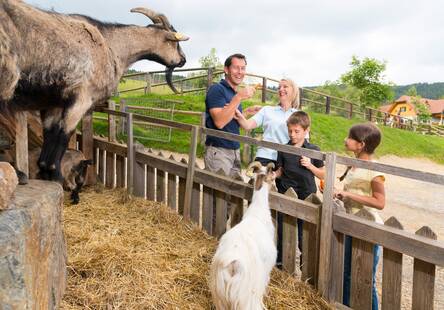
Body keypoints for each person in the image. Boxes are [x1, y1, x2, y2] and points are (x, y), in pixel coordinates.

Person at [334, 123, 385, 310]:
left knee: (364, 278)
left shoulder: (374, 171)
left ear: (361, 144)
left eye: (349, 137)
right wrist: (339, 193)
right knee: (347, 273)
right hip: (351, 224)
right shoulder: (353, 164)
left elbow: (380, 202)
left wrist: (348, 195)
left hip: (367, 228)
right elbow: (351, 190)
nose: (345, 140)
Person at [273, 111, 325, 266]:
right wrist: (272, 175)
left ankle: (306, 265)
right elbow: (280, 170)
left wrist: (310, 165)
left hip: (306, 195)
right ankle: (281, 263)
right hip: (286, 193)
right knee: (283, 230)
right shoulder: (283, 149)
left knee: (305, 233)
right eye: (290, 131)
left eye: (297, 131)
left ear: (306, 130)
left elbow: (323, 175)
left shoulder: (313, 150)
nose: (292, 135)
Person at [204, 53, 255, 177]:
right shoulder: (217, 89)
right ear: (226, 69)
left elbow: (230, 119)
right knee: (218, 194)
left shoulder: (233, 93)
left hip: (235, 150)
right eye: (236, 67)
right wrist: (238, 98)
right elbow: (220, 122)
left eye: (243, 68)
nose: (240, 72)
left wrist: (246, 113)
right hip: (219, 151)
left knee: (232, 194)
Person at [234, 78, 300, 167]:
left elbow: (303, 142)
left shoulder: (299, 115)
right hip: (264, 157)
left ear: (294, 91)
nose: (281, 89)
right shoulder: (267, 110)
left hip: (286, 160)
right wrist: (238, 112)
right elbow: (247, 125)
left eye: (285, 86)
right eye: (279, 87)